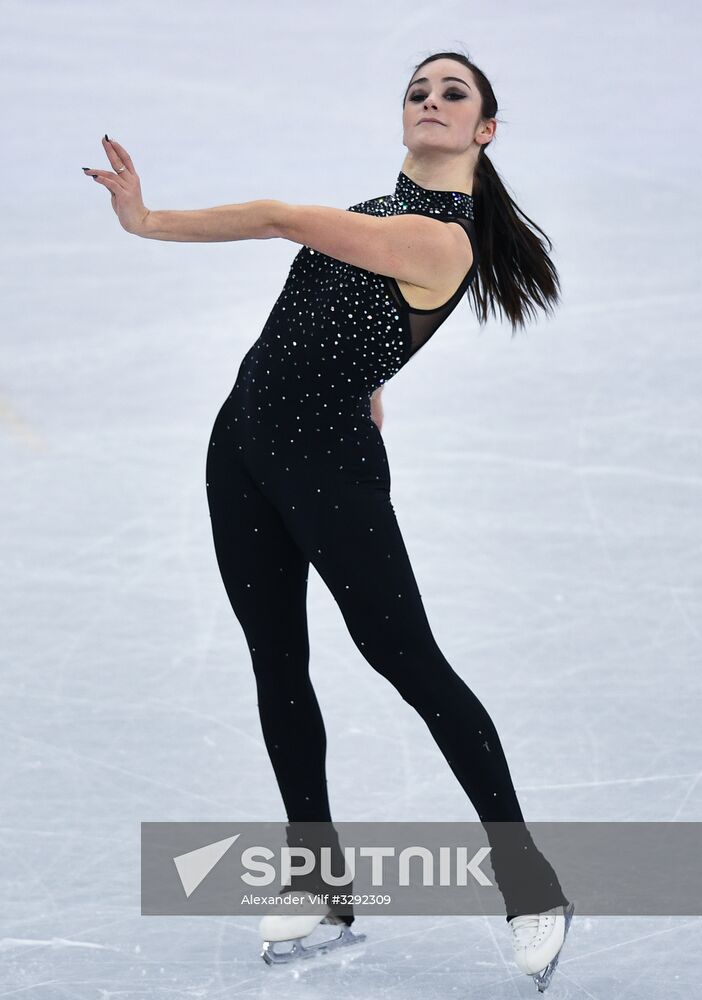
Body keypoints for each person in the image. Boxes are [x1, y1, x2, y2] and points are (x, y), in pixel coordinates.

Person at [83, 49, 574, 990]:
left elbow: (276, 218)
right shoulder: (384, 215)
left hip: (329, 474)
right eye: (418, 91)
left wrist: (146, 223)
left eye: (453, 93)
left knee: (411, 664)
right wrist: (373, 378)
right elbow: (342, 313)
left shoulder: (446, 240)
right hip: (240, 451)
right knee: (278, 665)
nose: (430, 101)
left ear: (485, 130)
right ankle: (321, 882)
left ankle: (530, 882)